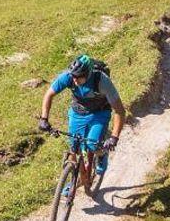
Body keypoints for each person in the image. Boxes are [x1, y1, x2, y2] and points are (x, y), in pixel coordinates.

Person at [40, 52, 128, 196]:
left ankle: (102, 154)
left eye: (78, 77)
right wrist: (44, 118)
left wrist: (114, 137)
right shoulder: (69, 76)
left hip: (99, 114)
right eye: (73, 76)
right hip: (77, 113)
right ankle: (74, 179)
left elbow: (120, 111)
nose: (74, 80)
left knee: (93, 145)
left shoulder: (102, 81)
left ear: (88, 74)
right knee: (73, 148)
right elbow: (49, 94)